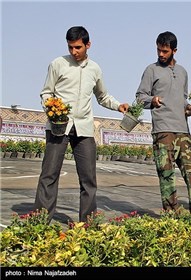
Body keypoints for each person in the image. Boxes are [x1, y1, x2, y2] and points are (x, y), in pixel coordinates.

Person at [34, 26, 129, 223]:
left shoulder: (95, 69)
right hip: (59, 126)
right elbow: (46, 92)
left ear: (88, 45)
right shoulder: (58, 64)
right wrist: (51, 109)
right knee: (49, 175)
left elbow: (102, 96)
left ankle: (87, 224)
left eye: (78, 47)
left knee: (88, 178)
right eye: (70, 47)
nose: (74, 52)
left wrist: (118, 105)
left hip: (84, 128)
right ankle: (40, 221)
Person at [136, 31, 191, 212]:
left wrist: (188, 109)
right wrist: (152, 100)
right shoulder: (151, 70)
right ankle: (172, 217)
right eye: (158, 50)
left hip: (183, 130)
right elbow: (140, 97)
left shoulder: (182, 72)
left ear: (175, 50)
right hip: (163, 130)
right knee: (166, 175)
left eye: (165, 51)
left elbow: (182, 99)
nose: (161, 54)